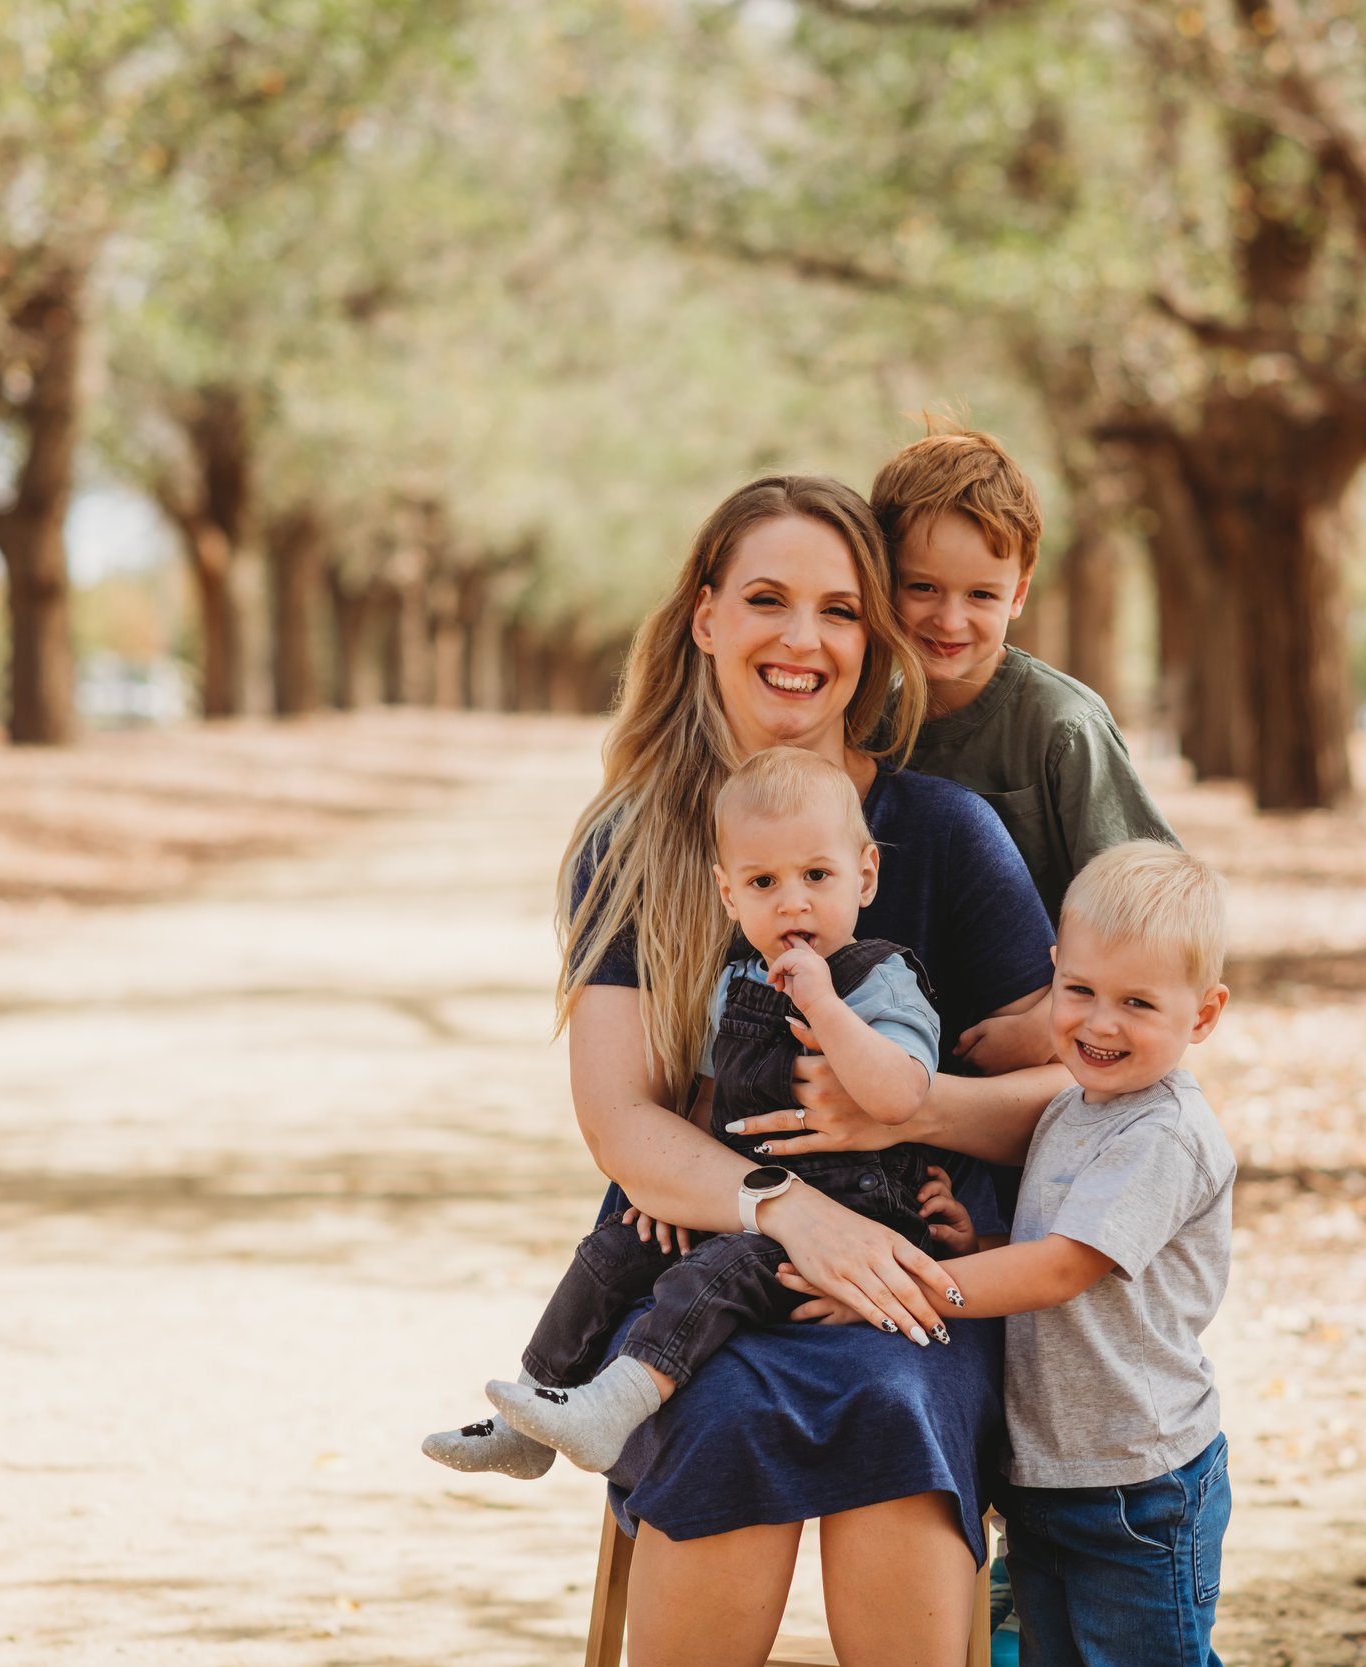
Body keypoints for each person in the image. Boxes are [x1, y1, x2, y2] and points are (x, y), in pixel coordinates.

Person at [459, 475, 1068, 1667]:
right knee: (720, 1409)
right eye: (768, 599)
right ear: (704, 616)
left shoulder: (939, 831)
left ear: (871, 638)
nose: (803, 638)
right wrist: (787, 1210)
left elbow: (1080, 1086)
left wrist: (915, 1105)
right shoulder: (631, 841)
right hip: (700, 1263)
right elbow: (618, 1116)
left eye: (840, 610)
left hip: (908, 1278)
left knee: (894, 1405)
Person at [420, 747, 951, 1477]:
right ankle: (536, 1412)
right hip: (756, 1202)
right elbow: (709, 1101)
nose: (793, 902)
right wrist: (680, 1194)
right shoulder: (734, 981)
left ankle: (616, 1406)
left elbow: (900, 1096)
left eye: (817, 877)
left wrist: (825, 1005)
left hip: (855, 1212)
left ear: (865, 874)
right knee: (615, 1247)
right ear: (729, 895)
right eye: (765, 882)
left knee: (716, 1272)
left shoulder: (879, 982)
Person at [781, 841, 1238, 1667]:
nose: (1100, 1023)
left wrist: (906, 1287)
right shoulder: (1076, 1106)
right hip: (1053, 1473)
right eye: (1081, 990)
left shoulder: (1164, 1133)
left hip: (1138, 1482)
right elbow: (1047, 1258)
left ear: (1202, 1015)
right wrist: (981, 1241)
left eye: (1138, 1002)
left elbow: (1064, 1269)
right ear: (1055, 970)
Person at [868, 428, 1179, 1079]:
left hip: (1042, 1069)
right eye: (922, 587)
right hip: (903, 1059)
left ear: (1019, 592)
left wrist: (1055, 1021)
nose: (950, 620)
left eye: (981, 594)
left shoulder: (1061, 727)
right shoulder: (866, 726)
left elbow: (1154, 911)